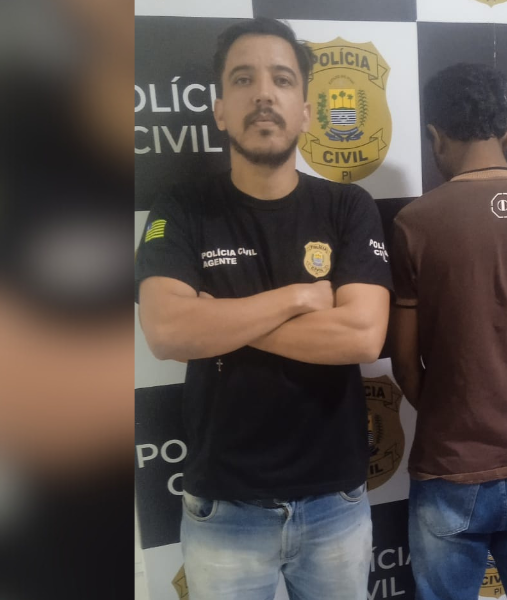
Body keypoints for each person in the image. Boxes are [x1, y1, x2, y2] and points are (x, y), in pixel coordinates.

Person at [135, 18, 392, 600]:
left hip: (335, 504)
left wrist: (218, 318)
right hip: (223, 509)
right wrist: (299, 298)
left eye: (282, 79)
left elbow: (360, 336)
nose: (263, 95)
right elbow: (168, 330)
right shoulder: (182, 207)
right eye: (243, 79)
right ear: (220, 111)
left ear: (305, 111)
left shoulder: (347, 206)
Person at [389, 63, 507, 600]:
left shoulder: (415, 223)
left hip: (449, 466)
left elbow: (404, 364)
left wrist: (451, 412)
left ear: (435, 136)